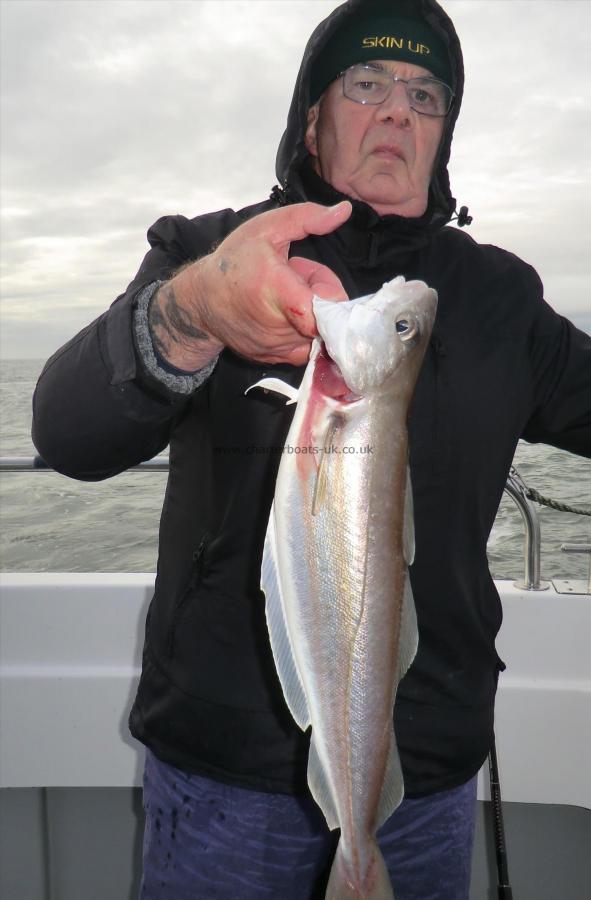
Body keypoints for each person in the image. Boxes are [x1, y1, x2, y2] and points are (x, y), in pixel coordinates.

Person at [32, 0, 591, 898]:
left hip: (428, 773)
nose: (398, 111)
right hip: (225, 775)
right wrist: (192, 312)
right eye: (365, 84)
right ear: (311, 118)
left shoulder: (498, 298)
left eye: (425, 94)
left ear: (442, 132)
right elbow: (66, 436)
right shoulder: (212, 251)